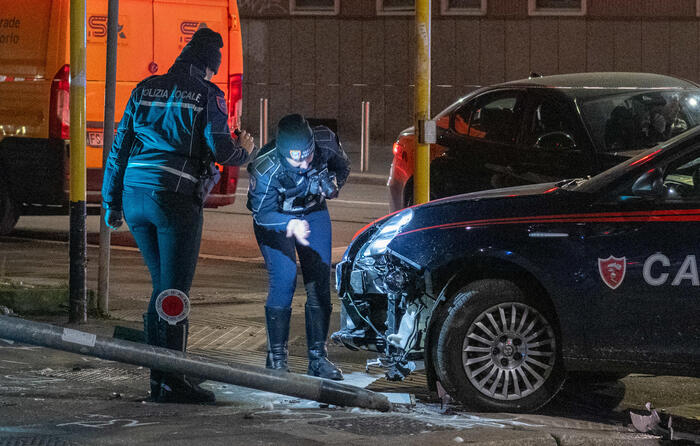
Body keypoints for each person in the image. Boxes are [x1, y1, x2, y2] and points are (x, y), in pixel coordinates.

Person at [101, 28, 254, 403]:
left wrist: (111, 203)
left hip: (135, 197)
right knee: (173, 295)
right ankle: (171, 382)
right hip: (174, 199)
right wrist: (244, 151)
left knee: (160, 289)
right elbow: (221, 149)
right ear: (209, 64)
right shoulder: (207, 95)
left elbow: (120, 147)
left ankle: (163, 377)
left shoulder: (144, 88)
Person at [247, 114, 350, 380]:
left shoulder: (325, 142)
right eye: (297, 159)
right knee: (285, 279)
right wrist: (289, 224)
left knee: (319, 280)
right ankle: (277, 361)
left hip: (314, 212)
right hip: (276, 219)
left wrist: (334, 183)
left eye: (308, 156)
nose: (304, 164)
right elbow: (261, 213)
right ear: (282, 154)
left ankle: (318, 358)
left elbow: (343, 167)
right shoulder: (265, 167)